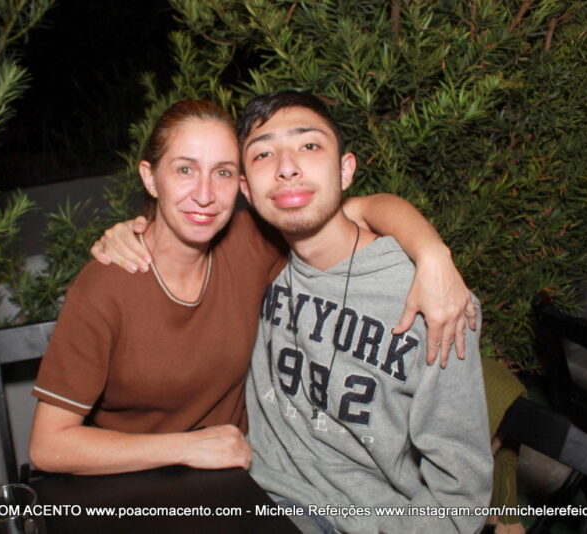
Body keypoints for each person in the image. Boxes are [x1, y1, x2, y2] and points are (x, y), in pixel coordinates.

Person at [30, 98, 474, 476]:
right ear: (150, 177)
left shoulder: (250, 242)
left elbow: (351, 208)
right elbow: (48, 447)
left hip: (237, 481)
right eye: (184, 169)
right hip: (130, 484)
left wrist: (432, 253)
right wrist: (186, 446)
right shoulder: (107, 285)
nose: (205, 194)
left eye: (222, 173)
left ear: (240, 186)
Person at [237, 91, 492, 533]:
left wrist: (433, 254)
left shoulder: (435, 300)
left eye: (309, 145)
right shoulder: (255, 258)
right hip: (251, 488)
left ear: (345, 170)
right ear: (246, 189)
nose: (286, 166)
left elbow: (459, 497)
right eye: (263, 154)